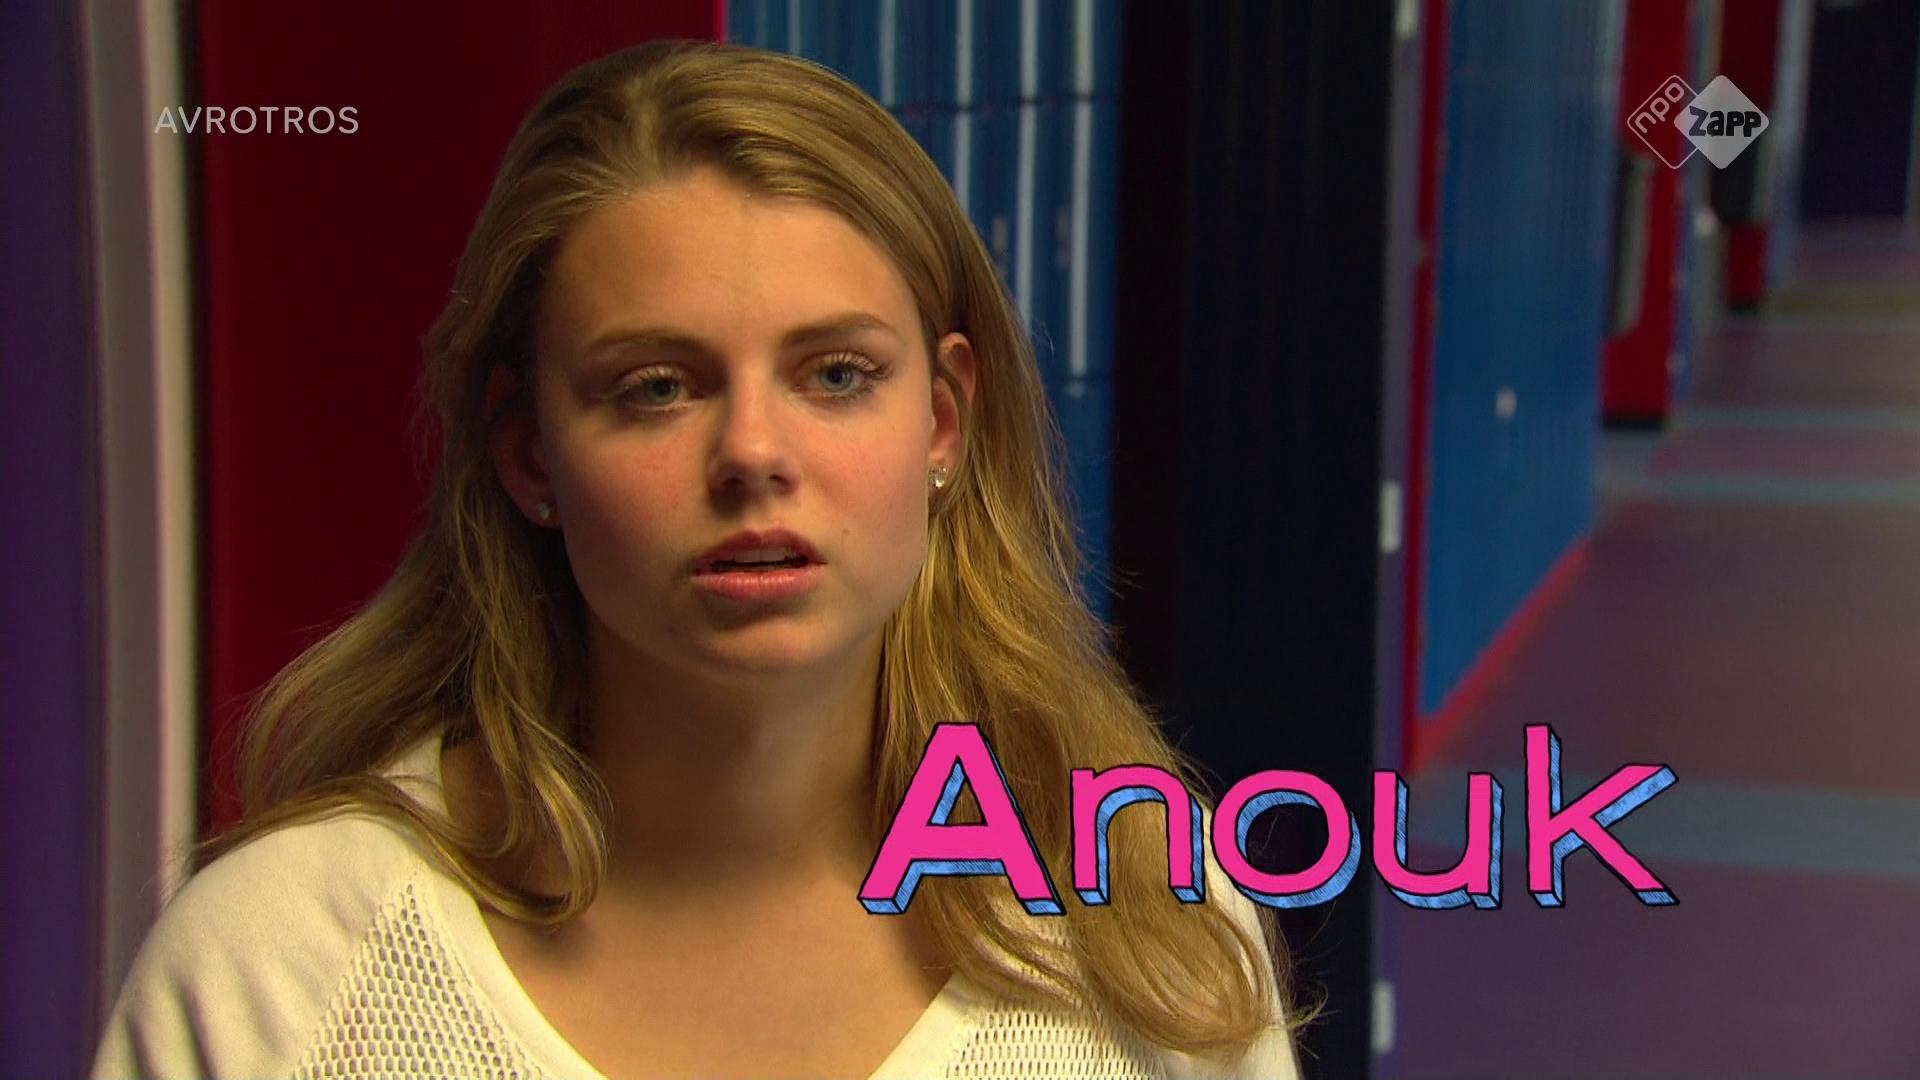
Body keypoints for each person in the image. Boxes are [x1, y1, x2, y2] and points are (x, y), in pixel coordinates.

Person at [94, 40, 1306, 1079]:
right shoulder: (283, 968)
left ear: (942, 423)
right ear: (527, 453)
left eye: (838, 374)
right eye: (656, 388)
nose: (754, 454)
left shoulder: (1150, 926)